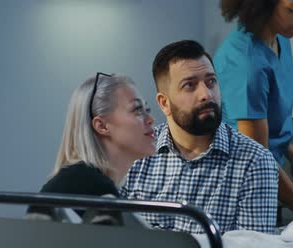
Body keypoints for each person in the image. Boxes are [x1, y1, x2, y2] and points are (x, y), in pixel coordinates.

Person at [121, 40, 279, 234]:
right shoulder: (134, 154)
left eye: (211, 82)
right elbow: (119, 241)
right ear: (164, 103)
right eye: (190, 85)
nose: (206, 94)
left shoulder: (255, 162)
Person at [214, 0, 293, 215]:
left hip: (266, 175)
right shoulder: (246, 64)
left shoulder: (279, 38)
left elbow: (268, 114)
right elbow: (257, 161)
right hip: (237, 190)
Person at [27, 73, 156, 224]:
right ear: (101, 126)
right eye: (137, 109)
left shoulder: (78, 180)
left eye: (147, 109)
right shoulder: (97, 189)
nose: (150, 119)